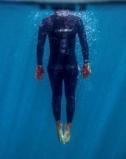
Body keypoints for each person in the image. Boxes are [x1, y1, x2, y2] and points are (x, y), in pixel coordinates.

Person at [35, 9, 91, 144]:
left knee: (56, 95)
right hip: (71, 66)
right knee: (70, 96)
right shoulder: (77, 21)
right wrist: (86, 62)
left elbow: (40, 45)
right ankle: (68, 127)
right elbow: (84, 41)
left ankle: (59, 125)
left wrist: (39, 65)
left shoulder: (46, 21)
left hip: (54, 66)